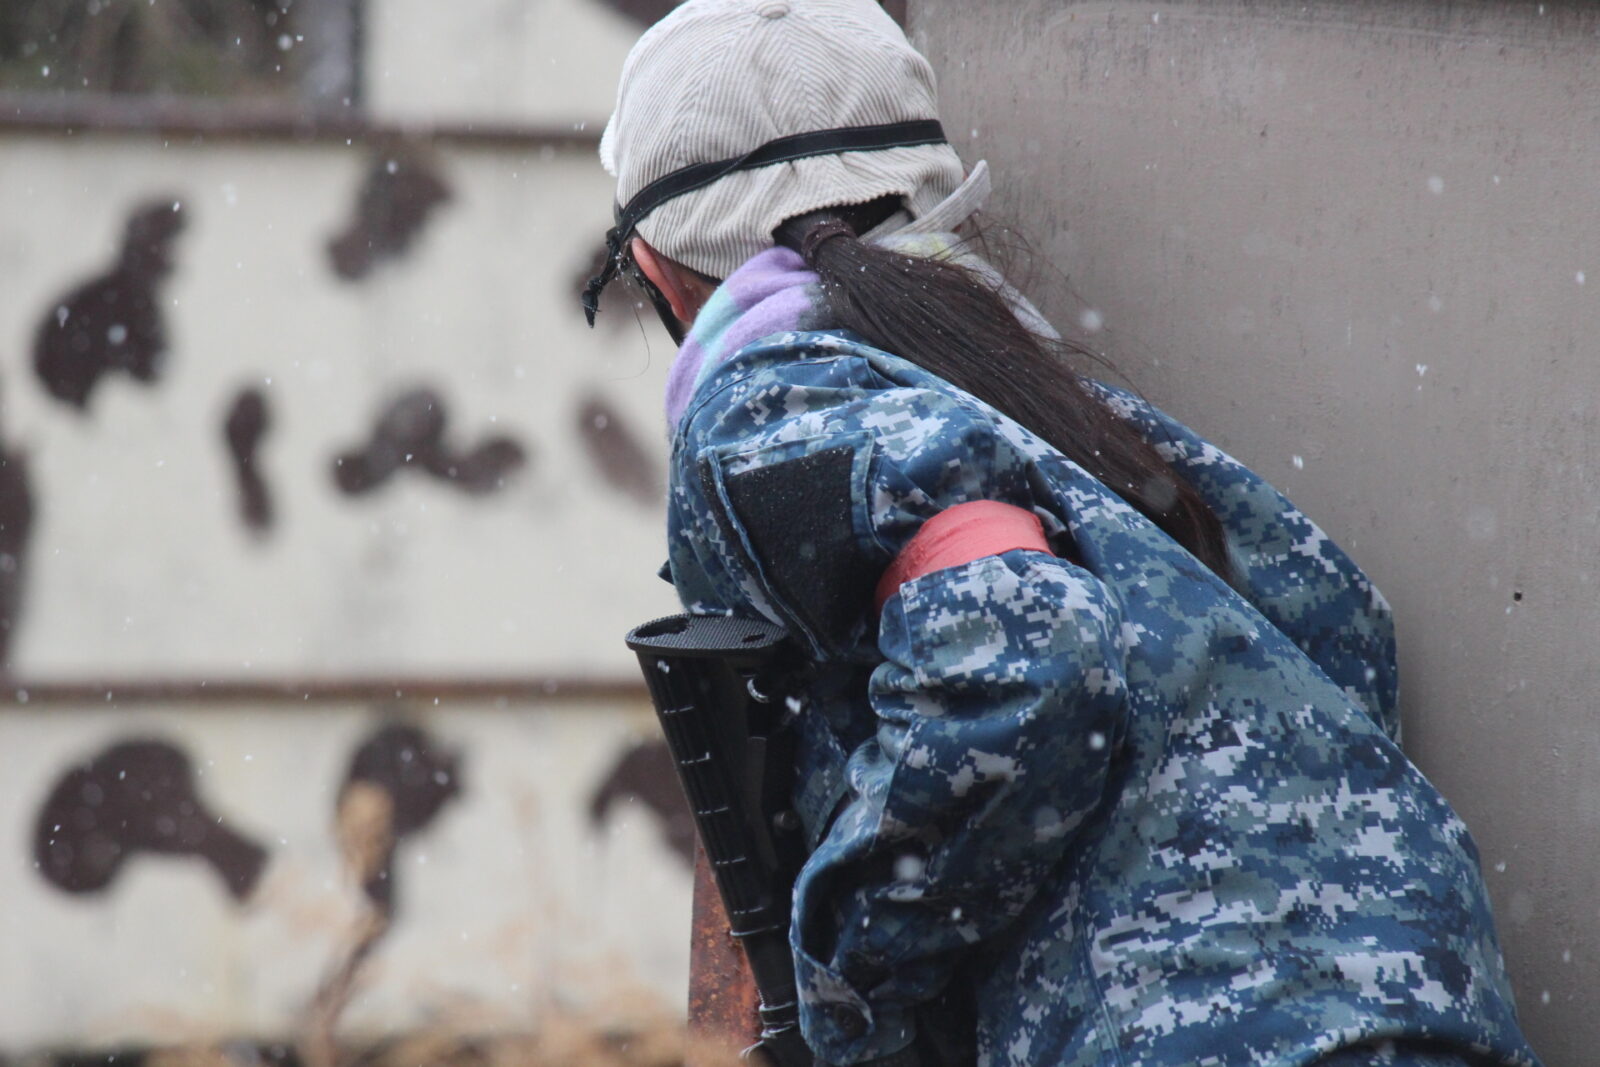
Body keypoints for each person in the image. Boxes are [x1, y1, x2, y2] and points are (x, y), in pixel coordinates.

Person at [582, 2, 1545, 1065]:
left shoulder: (769, 401)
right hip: (1419, 993)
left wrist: (846, 983)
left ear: (657, 267)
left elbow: (1022, 652)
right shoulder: (1043, 407)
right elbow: (1336, 618)